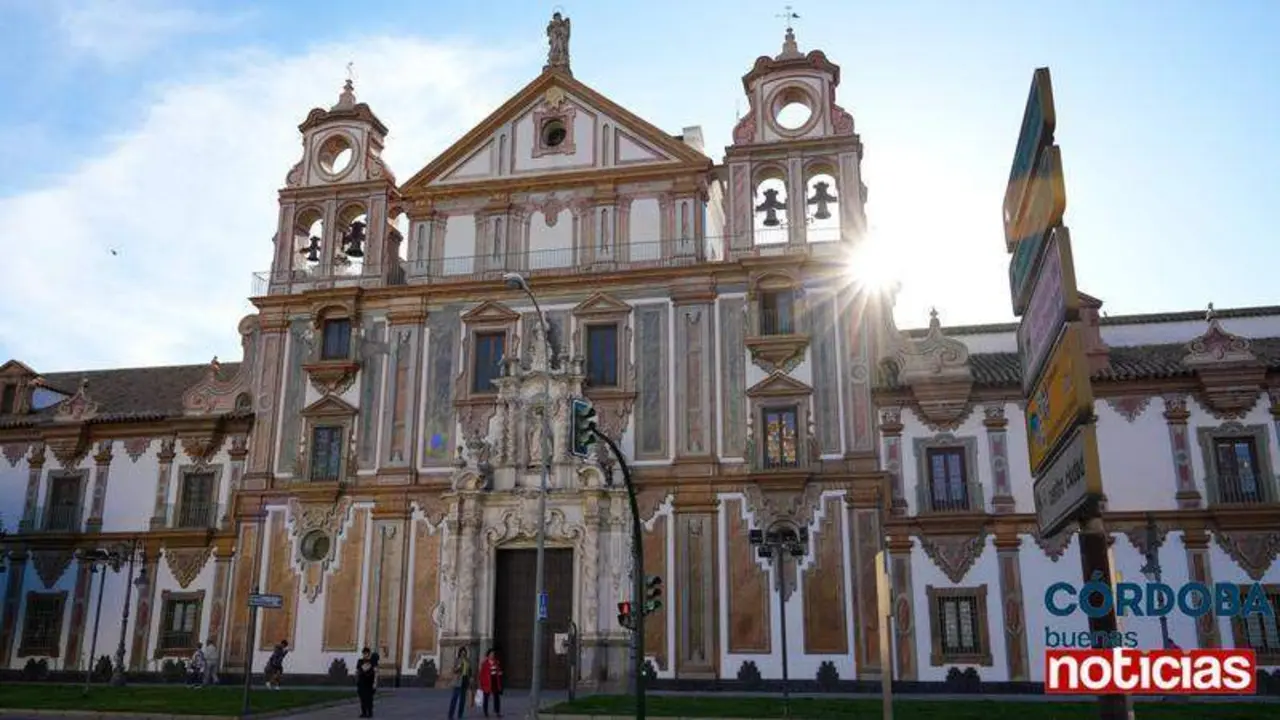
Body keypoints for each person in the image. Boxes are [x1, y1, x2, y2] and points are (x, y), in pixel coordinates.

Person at [447, 647, 472, 720]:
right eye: (462, 652)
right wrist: (458, 667)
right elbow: (454, 670)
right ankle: (450, 715)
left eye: (464, 652)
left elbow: (469, 670)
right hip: (458, 681)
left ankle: (460, 715)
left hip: (465, 680)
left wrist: (470, 678)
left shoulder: (467, 660)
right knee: (454, 699)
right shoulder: (457, 660)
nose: (463, 653)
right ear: (460, 653)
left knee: (462, 700)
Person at [478, 647, 503, 718]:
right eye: (491, 654)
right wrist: (480, 683)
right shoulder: (484, 663)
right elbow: (481, 674)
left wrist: (500, 673)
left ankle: (497, 711)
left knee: (497, 698)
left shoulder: (496, 662)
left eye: (493, 654)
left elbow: (498, 670)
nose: (492, 655)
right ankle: (485, 712)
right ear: (488, 655)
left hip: (495, 681)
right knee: (486, 697)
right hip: (487, 682)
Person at [355, 647, 377, 718]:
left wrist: (375, 683)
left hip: (369, 683)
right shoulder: (360, 661)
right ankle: (363, 712)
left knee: (369, 699)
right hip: (361, 682)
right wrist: (357, 680)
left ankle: (370, 713)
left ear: (369, 654)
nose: (365, 655)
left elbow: (376, 673)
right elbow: (358, 671)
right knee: (362, 699)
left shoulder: (372, 662)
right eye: (364, 653)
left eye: (367, 653)